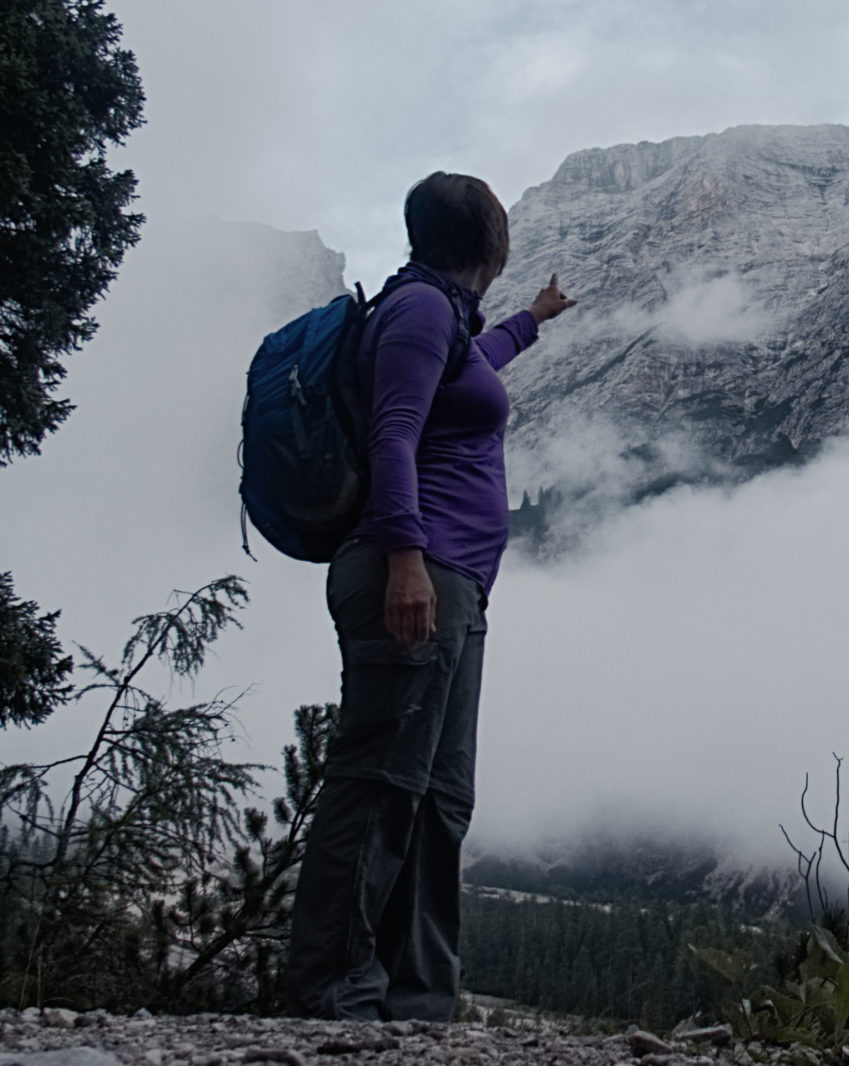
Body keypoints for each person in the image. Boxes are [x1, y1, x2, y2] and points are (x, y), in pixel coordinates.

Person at [286, 172, 575, 1021]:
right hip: (413, 572)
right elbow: (394, 432)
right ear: (490, 234)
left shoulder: (443, 318)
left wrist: (534, 318)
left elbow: (478, 362)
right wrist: (407, 556)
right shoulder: (416, 313)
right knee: (379, 782)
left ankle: (419, 1002)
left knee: (441, 797)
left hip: (455, 588)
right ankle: (332, 993)